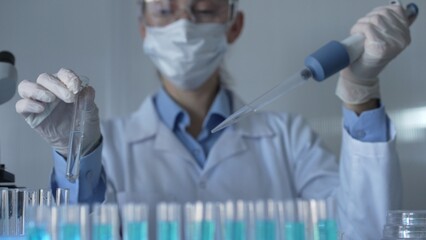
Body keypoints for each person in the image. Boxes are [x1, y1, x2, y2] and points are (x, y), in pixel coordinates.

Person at [15, 0, 415, 238]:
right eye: (164, 10)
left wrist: (361, 93)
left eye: (204, 8)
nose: (183, 24)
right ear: (143, 29)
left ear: (234, 24)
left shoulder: (288, 139)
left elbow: (366, 230)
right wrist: (79, 153)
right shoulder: (110, 145)